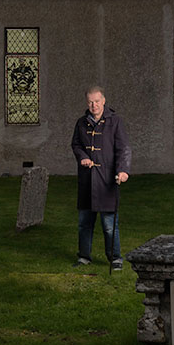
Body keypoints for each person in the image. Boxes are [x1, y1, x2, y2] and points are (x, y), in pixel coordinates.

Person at [70, 85, 130, 270]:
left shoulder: (115, 121)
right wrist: (84, 157)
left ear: (104, 101)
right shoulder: (81, 123)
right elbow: (76, 144)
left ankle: (115, 259)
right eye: (90, 102)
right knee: (84, 224)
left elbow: (123, 149)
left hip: (107, 180)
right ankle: (84, 257)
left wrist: (123, 170)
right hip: (87, 180)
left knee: (110, 225)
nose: (93, 105)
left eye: (97, 101)